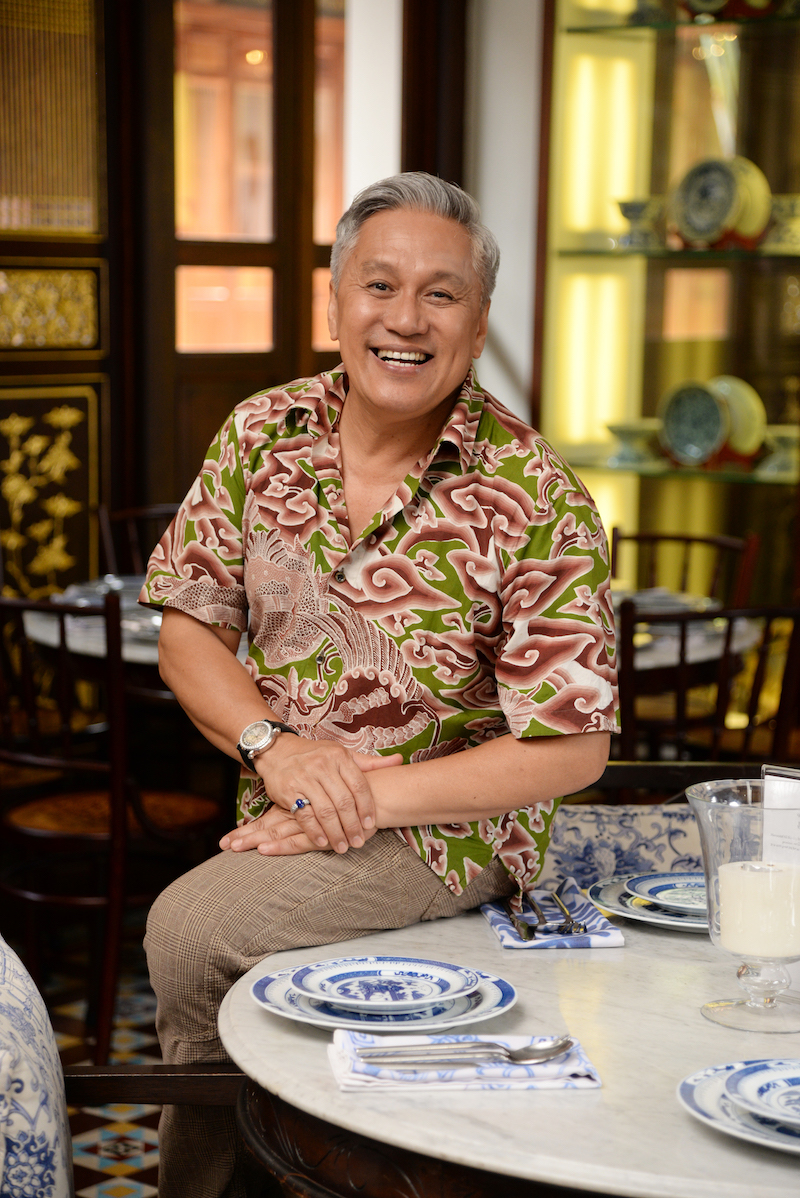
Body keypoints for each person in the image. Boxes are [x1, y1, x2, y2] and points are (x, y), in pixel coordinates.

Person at [140, 171, 618, 1198]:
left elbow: (572, 745)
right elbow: (187, 628)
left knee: (191, 929)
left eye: (440, 294)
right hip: (281, 801)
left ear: (479, 321)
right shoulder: (259, 432)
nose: (405, 318)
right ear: (334, 298)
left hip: (447, 834)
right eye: (379, 285)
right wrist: (281, 752)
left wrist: (352, 792)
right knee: (220, 978)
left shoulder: (533, 495)